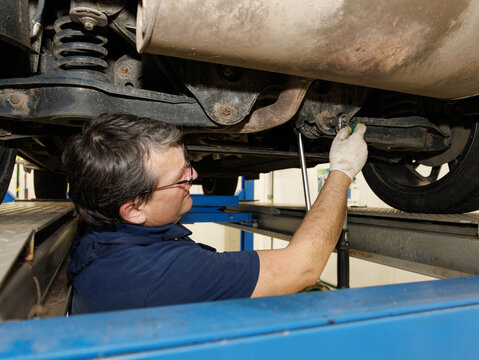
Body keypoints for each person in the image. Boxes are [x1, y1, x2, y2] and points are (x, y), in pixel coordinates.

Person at [63, 114, 368, 314]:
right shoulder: (163, 275)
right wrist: (341, 170)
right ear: (135, 209)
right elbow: (303, 266)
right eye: (181, 178)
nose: (194, 175)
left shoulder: (100, 235)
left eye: (188, 163)